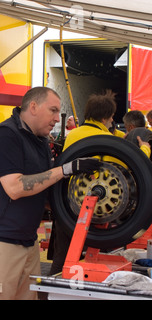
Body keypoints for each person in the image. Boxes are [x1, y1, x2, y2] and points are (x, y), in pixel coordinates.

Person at [0, 87, 102, 300]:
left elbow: (45, 187)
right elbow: (15, 187)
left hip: (27, 242)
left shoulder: (40, 141)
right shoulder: (5, 135)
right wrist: (65, 169)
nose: (57, 119)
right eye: (53, 111)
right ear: (33, 107)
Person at [48, 90, 150, 275]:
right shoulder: (109, 142)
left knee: (62, 259)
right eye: (111, 117)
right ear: (105, 118)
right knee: (98, 259)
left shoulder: (73, 135)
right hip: (97, 213)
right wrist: (144, 149)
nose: (112, 121)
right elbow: (132, 168)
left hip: (69, 209)